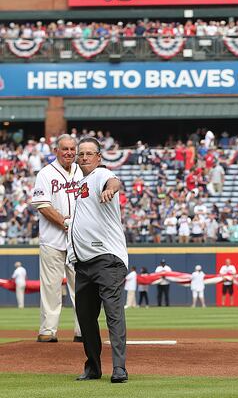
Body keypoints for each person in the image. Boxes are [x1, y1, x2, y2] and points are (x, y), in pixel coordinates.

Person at [67, 137, 128, 383]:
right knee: (85, 317)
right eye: (81, 154)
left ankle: (119, 368)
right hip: (83, 262)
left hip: (106, 258)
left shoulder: (102, 174)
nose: (84, 158)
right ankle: (93, 367)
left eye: (89, 153)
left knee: (113, 314)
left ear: (99, 157)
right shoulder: (81, 182)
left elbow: (114, 181)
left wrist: (111, 189)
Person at [31, 134, 82, 343]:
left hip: (79, 241)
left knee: (81, 287)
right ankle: (48, 330)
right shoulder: (45, 173)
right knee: (51, 287)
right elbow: (43, 205)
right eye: (65, 149)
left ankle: (83, 329)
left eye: (72, 149)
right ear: (56, 151)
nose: (69, 152)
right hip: (53, 239)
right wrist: (65, 222)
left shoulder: (82, 171)